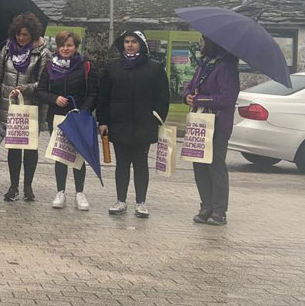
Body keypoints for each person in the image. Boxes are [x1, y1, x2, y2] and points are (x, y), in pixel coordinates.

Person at [97, 30, 169, 218]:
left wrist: (157, 118)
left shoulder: (155, 67)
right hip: (118, 122)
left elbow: (163, 97)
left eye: (134, 42)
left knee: (140, 163)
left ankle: (141, 202)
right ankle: (121, 200)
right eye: (127, 42)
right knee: (122, 163)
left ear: (142, 44)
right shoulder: (113, 67)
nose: (129, 45)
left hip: (144, 123)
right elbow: (103, 96)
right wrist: (103, 121)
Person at [0, 13, 51, 202]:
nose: (21, 38)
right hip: (9, 106)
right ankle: (13, 186)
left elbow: (44, 83)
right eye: (18, 34)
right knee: (14, 147)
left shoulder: (43, 53)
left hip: (31, 107)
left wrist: (25, 89)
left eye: (25, 35)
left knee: (30, 148)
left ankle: (28, 187)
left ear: (33, 34)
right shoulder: (7, 49)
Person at [35, 30, 98, 211]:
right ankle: (60, 192)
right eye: (62, 45)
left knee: (79, 155)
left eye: (69, 45)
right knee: (60, 155)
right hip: (57, 117)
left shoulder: (86, 66)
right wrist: (54, 99)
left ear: (75, 47)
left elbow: (93, 92)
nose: (65, 48)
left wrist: (83, 110)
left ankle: (80, 193)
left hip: (78, 117)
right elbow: (41, 91)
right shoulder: (49, 66)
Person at [183, 36, 240, 226]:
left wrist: (200, 100)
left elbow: (227, 99)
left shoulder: (227, 67)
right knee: (199, 164)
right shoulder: (206, 64)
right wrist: (188, 96)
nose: (200, 45)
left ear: (213, 44)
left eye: (203, 42)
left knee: (215, 165)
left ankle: (219, 210)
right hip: (200, 122)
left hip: (218, 124)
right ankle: (205, 206)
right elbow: (192, 86)